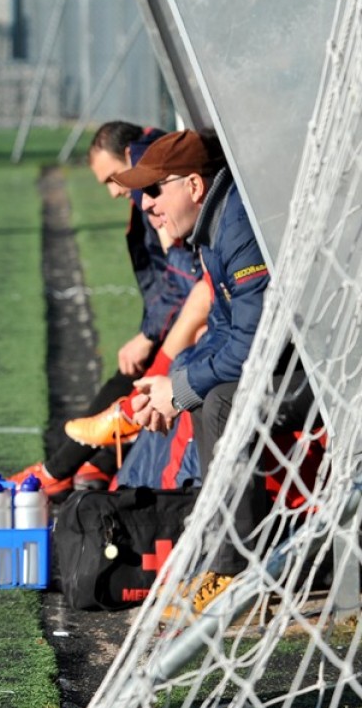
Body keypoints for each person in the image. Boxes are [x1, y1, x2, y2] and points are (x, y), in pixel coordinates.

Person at [112, 128, 312, 618]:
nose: (146, 206)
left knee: (219, 398)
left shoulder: (239, 224)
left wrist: (178, 390)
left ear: (195, 187)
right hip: (286, 364)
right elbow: (224, 327)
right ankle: (218, 552)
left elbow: (250, 344)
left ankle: (235, 570)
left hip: (320, 376)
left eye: (154, 191)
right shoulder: (217, 224)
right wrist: (173, 386)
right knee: (197, 381)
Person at [9, 122, 203, 498]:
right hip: (186, 318)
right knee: (133, 371)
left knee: (140, 377)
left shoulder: (155, 185)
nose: (117, 192)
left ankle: (62, 468)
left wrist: (149, 335)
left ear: (131, 156)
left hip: (197, 326)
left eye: (114, 179)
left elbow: (185, 280)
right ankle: (91, 464)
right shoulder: (154, 188)